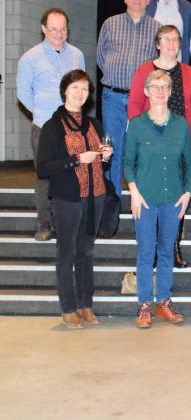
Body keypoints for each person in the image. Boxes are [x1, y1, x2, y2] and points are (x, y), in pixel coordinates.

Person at [36, 70, 112, 329]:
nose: (80, 93)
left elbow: (100, 162)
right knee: (66, 254)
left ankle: (85, 304)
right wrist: (76, 160)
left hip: (95, 197)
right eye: (75, 88)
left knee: (86, 252)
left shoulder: (94, 124)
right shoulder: (53, 126)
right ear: (65, 90)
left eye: (85, 89)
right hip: (67, 198)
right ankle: (68, 307)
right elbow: (43, 168)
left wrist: (105, 156)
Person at [128, 24, 191, 268]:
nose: (171, 43)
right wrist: (140, 136)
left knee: (178, 196)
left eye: (175, 39)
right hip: (151, 144)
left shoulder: (189, 72)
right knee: (152, 196)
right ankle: (151, 249)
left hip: (179, 144)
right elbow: (134, 106)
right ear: (157, 43)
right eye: (166, 39)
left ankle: (173, 246)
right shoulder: (144, 70)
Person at [123, 70, 191, 328]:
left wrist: (187, 192)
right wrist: (133, 191)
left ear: (171, 91)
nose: (160, 91)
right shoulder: (136, 125)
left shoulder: (181, 125)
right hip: (144, 198)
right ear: (146, 91)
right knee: (146, 251)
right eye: (155, 86)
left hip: (173, 198)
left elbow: (190, 162)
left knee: (166, 251)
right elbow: (127, 162)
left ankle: (163, 301)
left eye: (165, 86)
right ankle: (144, 305)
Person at [17, 8, 85, 241]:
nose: (59, 34)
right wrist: (42, 114)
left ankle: (66, 222)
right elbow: (23, 93)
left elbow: (81, 87)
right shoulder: (30, 58)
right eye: (54, 29)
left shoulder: (77, 55)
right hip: (44, 126)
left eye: (63, 29)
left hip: (72, 126)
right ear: (43, 29)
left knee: (72, 174)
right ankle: (44, 224)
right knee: (44, 177)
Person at [97, 0, 161, 195]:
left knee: (142, 149)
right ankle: (112, 201)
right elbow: (101, 58)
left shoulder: (156, 28)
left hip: (143, 99)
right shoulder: (110, 23)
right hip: (113, 97)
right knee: (112, 149)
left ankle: (141, 200)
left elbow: (158, 64)